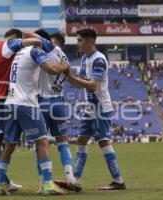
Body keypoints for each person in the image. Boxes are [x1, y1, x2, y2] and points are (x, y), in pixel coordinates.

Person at [0, 35, 70, 195]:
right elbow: (51, 68)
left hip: (10, 102)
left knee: (9, 145)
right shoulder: (35, 51)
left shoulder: (17, 53)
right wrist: (64, 65)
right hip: (26, 103)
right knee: (42, 142)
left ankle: (0, 184)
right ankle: (48, 185)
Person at [56, 28, 126, 190]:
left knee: (103, 141)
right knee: (81, 140)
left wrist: (71, 77)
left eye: (80, 40)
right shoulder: (84, 58)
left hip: (101, 106)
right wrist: (66, 73)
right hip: (90, 107)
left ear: (90, 41)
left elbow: (93, 85)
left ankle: (118, 181)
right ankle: (75, 180)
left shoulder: (98, 59)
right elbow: (79, 80)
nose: (77, 43)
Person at [0, 28, 41, 195]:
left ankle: (5, 181)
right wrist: (38, 40)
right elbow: (32, 42)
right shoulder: (9, 44)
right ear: (13, 38)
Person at [35, 30, 81, 193]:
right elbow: (70, 76)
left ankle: (42, 183)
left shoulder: (39, 52)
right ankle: (70, 176)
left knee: (40, 144)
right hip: (59, 101)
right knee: (63, 141)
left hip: (41, 101)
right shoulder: (63, 56)